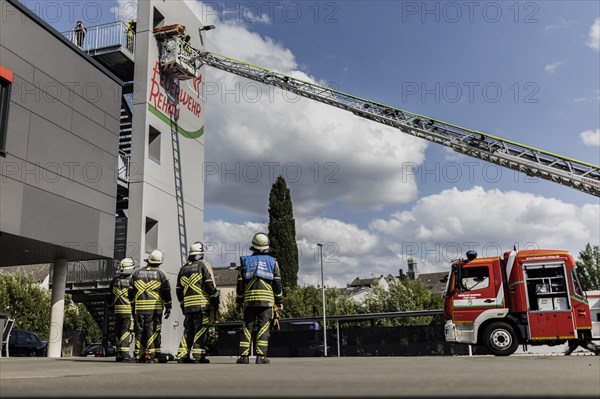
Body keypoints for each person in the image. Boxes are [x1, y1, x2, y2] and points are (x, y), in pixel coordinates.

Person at [236, 233, 283, 364]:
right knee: (263, 327)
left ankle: (243, 357)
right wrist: (279, 301)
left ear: (253, 246)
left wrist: (239, 301)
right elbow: (277, 284)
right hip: (266, 301)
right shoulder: (273, 262)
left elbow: (240, 284)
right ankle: (261, 357)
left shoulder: (244, 261)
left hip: (249, 301)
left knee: (247, 327)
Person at [175, 241, 220, 364]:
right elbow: (209, 284)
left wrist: (182, 303)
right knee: (200, 329)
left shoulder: (182, 269)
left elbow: (178, 290)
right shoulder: (202, 266)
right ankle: (198, 355)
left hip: (188, 306)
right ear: (200, 254)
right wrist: (216, 300)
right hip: (202, 305)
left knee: (188, 330)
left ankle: (182, 354)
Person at [129, 249, 172, 363]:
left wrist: (133, 307)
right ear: (159, 262)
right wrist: (169, 307)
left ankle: (139, 355)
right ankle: (153, 355)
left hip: (139, 309)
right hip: (155, 310)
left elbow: (130, 293)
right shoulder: (161, 274)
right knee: (153, 331)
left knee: (139, 332)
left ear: (148, 260)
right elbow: (166, 291)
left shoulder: (136, 273)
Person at [109, 257, 136, 362]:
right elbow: (134, 297)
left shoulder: (115, 281)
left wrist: (112, 308)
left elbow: (110, 297)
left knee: (118, 331)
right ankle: (125, 354)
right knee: (126, 332)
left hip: (117, 311)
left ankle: (118, 354)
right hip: (128, 311)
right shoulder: (131, 281)